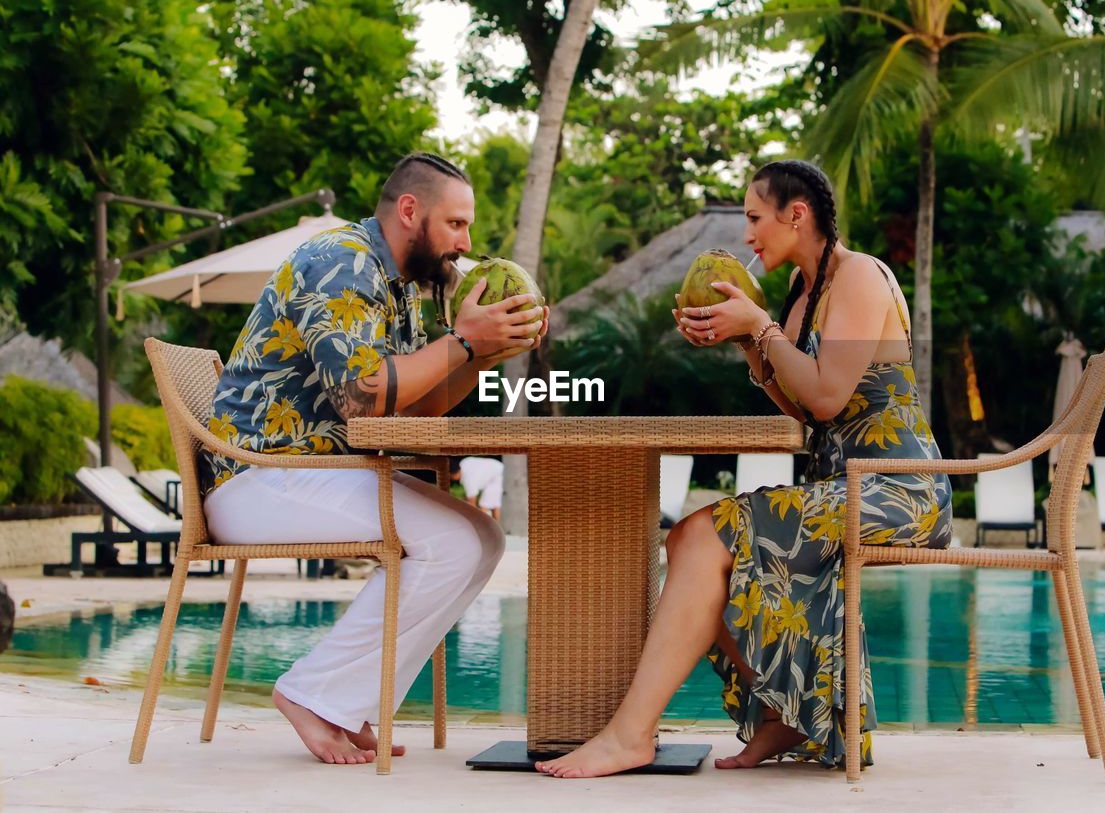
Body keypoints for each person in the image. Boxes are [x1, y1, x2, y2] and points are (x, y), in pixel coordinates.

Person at [536, 159, 952, 778]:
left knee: (702, 534)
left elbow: (829, 397)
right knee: (687, 536)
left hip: (895, 487)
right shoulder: (803, 297)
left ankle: (630, 734)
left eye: (756, 218)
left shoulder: (860, 276)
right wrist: (744, 343)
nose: (749, 235)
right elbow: (798, 402)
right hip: (844, 485)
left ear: (797, 213)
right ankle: (780, 715)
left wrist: (760, 327)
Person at [200, 152, 548, 765]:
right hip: (260, 479)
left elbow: (416, 409)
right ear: (410, 211)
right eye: (457, 225)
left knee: (483, 539)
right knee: (457, 543)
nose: (466, 243)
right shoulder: (341, 262)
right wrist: (464, 341)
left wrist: (481, 354)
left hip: (312, 475)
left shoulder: (403, 289)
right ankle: (312, 695)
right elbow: (363, 398)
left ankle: (349, 703)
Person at [450, 456, 504, 520]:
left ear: (452, 475)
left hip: (497, 476)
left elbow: (472, 503)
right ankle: (499, 526)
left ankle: (493, 526)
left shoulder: (468, 478)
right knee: (494, 503)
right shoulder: (464, 463)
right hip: (499, 470)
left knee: (484, 506)